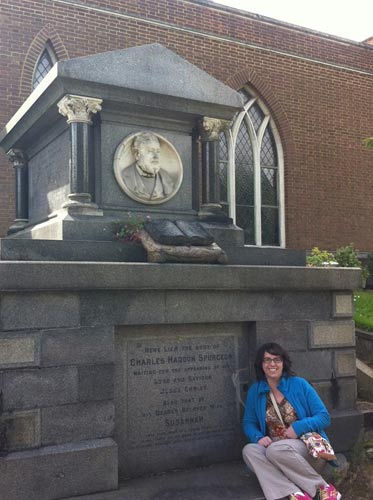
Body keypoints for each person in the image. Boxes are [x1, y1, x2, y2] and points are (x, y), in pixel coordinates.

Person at [242, 342, 341, 500]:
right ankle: (294, 493)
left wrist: (298, 427)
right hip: (273, 450)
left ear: (283, 363)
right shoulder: (256, 390)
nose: (272, 364)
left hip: (306, 452)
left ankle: (321, 488)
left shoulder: (299, 384)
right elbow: (248, 422)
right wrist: (257, 437)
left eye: (277, 359)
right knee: (249, 450)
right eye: (267, 360)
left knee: (276, 450)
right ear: (261, 364)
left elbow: (324, 416)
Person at [122, 132, 175, 202]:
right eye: (150, 151)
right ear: (137, 155)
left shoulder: (167, 178)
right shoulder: (125, 176)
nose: (156, 156)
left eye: (158, 151)